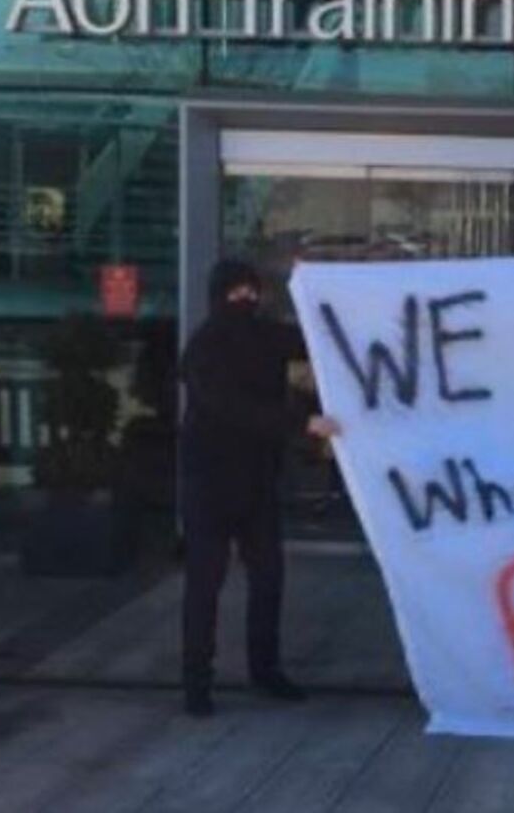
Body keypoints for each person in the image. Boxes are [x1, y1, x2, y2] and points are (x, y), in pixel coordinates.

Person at [180, 258, 340, 718]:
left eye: (252, 292)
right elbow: (231, 407)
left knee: (268, 579)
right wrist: (301, 423)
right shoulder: (204, 348)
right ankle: (197, 682)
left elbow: (318, 337)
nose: (246, 299)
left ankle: (265, 670)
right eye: (237, 293)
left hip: (255, 479)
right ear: (220, 296)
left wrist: (322, 285)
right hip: (210, 482)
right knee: (205, 584)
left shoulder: (263, 336)